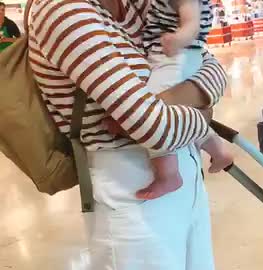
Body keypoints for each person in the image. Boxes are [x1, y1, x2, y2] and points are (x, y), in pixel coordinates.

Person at [27, 0, 227, 269]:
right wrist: (201, 114)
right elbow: (154, 129)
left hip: (186, 174)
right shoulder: (63, 10)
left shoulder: (137, 4)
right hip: (133, 194)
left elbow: (213, 69)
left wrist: (160, 107)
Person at [104, 0, 233, 200]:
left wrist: (178, 40)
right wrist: (199, 110)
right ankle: (217, 149)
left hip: (173, 58)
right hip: (173, 58)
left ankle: (168, 175)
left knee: (152, 106)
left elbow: (193, 24)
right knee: (164, 112)